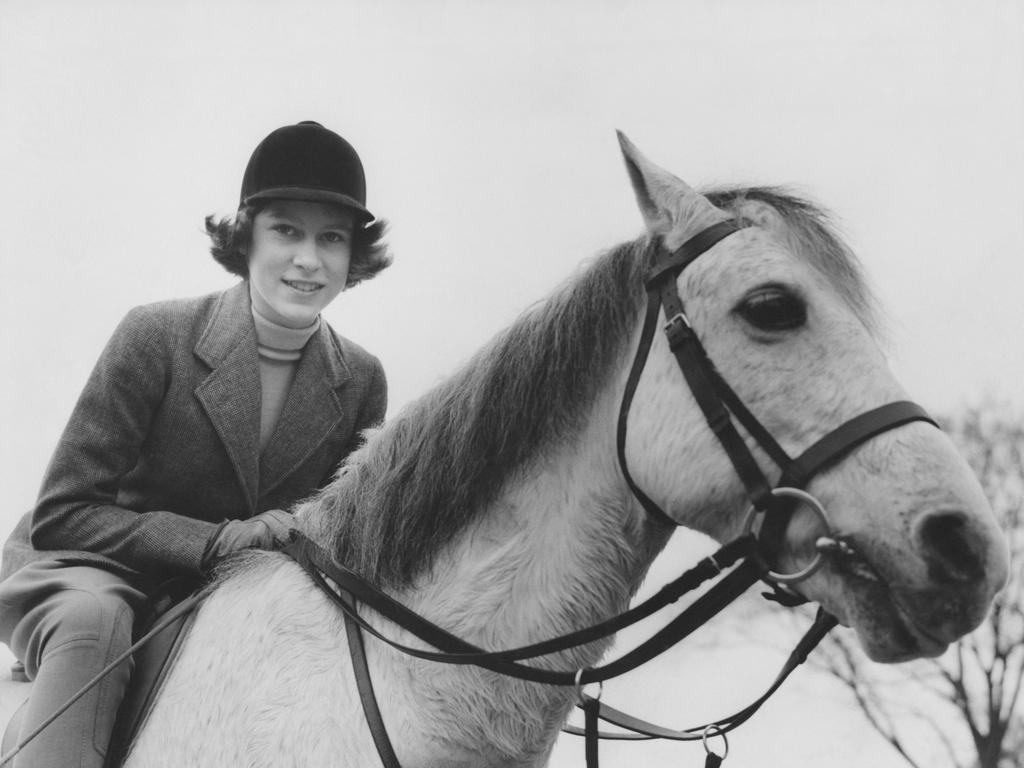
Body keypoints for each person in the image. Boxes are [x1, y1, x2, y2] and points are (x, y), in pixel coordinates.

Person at [0, 120, 391, 767]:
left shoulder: (363, 378)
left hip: (231, 594)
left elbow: (342, 530)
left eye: (331, 238)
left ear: (354, 257)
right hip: (90, 572)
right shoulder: (155, 335)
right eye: (287, 231)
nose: (308, 259)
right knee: (96, 627)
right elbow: (64, 513)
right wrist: (210, 540)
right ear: (245, 236)